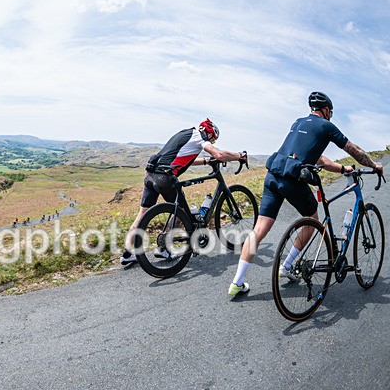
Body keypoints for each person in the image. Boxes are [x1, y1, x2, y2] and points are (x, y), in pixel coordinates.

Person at [228, 92, 383, 296]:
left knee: (259, 230)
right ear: (326, 110)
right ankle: (287, 266)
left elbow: (320, 159)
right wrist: (374, 165)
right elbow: (354, 150)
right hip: (292, 180)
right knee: (313, 220)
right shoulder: (326, 126)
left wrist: (343, 169)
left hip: (272, 176)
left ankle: (236, 283)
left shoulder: (298, 122)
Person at [120, 119, 246, 264]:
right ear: (209, 133)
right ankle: (163, 248)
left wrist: (205, 161)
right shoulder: (200, 137)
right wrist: (239, 156)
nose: (212, 142)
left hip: (151, 174)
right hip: (164, 176)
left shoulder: (186, 134)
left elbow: (184, 158)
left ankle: (128, 253)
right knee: (179, 211)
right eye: (213, 139)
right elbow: (219, 155)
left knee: (142, 214)